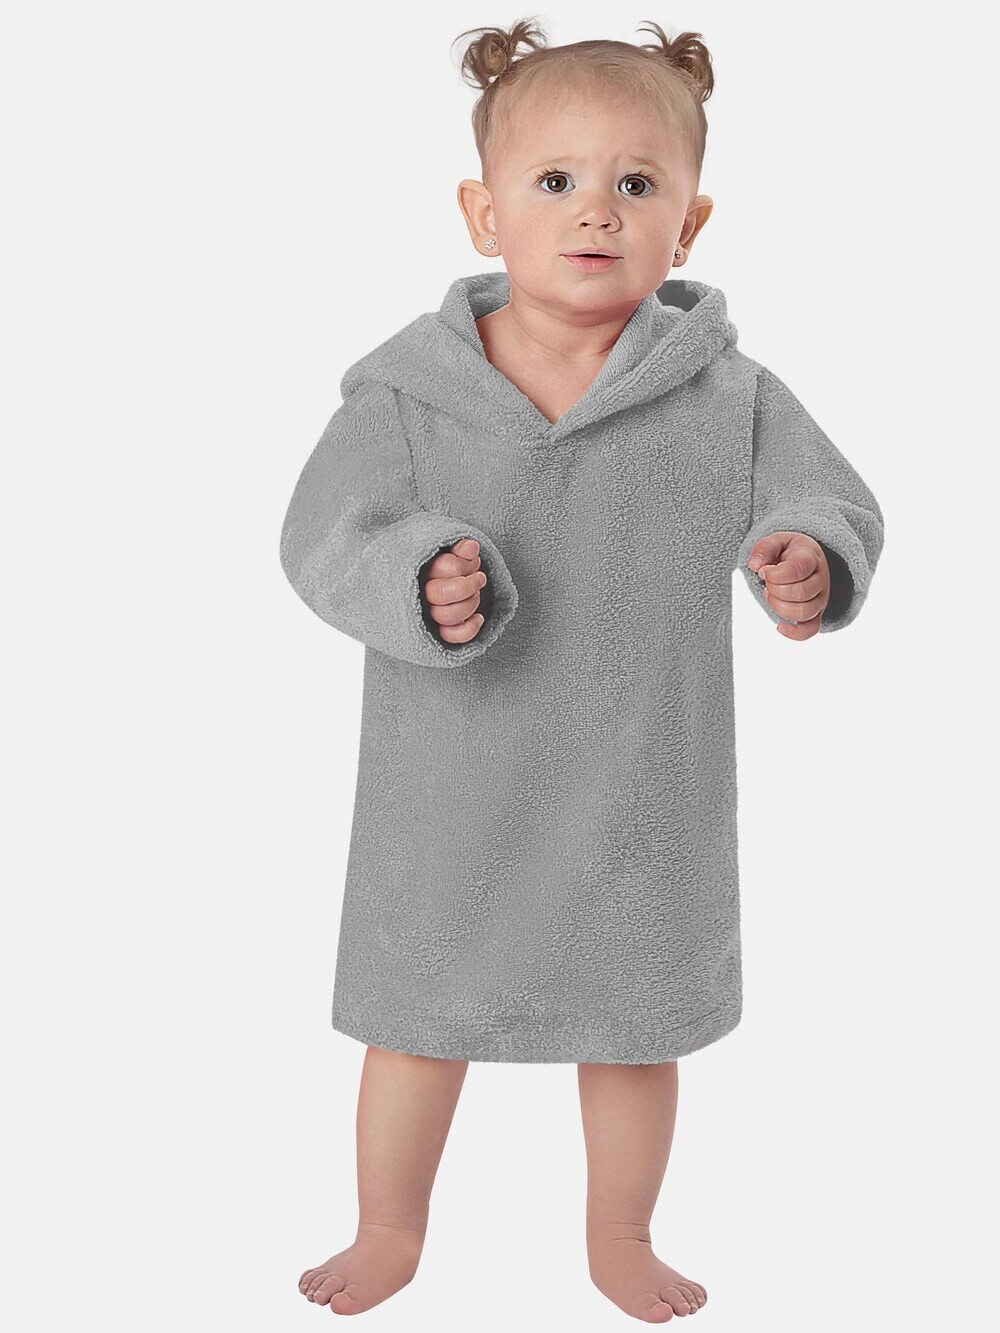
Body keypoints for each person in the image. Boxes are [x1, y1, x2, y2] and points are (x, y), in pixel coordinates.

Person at [280, 17, 885, 1322]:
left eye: (637, 182)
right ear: (483, 213)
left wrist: (811, 556)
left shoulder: (728, 398)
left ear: (691, 224)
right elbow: (323, 537)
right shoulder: (408, 396)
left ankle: (621, 1234)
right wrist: (413, 573)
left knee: (634, 1026)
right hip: (451, 785)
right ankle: (389, 1225)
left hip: (640, 782)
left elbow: (828, 498)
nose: (596, 210)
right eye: (554, 180)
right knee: (417, 1020)